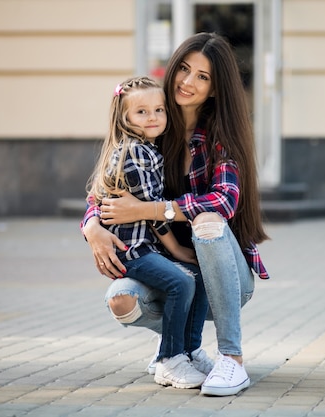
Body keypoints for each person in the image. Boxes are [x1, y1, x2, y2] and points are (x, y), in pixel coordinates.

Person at [82, 32, 270, 397]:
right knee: (122, 300)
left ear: (215, 89)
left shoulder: (220, 137)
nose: (187, 81)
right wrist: (91, 226)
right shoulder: (151, 124)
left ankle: (232, 358)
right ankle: (179, 349)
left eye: (203, 76)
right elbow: (106, 187)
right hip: (171, 266)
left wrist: (150, 209)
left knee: (208, 223)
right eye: (184, 68)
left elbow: (223, 202)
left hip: (224, 276)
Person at [84, 76, 212, 389]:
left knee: (195, 275)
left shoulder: (148, 149)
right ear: (124, 117)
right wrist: (178, 251)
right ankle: (170, 360)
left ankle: (189, 351)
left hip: (143, 249)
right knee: (182, 280)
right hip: (133, 250)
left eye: (159, 109)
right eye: (141, 112)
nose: (152, 117)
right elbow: (152, 210)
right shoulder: (135, 153)